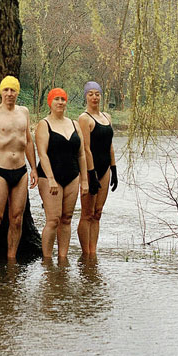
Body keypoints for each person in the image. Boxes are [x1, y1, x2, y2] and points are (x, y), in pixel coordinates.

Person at [0, 75, 37, 260]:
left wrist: (34, 169)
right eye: (6, 90)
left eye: (13, 90)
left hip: (20, 171)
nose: (9, 93)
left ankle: (12, 258)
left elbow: (28, 141)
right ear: (1, 92)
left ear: (17, 92)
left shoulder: (24, 112)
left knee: (17, 219)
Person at [34, 87, 87, 262]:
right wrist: (51, 179)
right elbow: (42, 154)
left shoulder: (74, 124)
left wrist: (84, 180)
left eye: (63, 99)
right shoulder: (44, 124)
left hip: (72, 176)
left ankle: (63, 259)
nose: (60, 102)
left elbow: (81, 154)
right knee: (53, 219)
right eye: (56, 99)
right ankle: (47, 259)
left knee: (67, 218)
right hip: (49, 176)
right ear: (50, 102)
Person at [76, 80, 117, 257]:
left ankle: (94, 252)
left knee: (98, 213)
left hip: (105, 168)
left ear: (101, 95)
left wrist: (114, 169)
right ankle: (86, 253)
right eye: (91, 94)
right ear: (86, 96)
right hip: (90, 169)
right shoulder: (84, 118)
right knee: (87, 213)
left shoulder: (107, 117)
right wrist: (90, 174)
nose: (94, 97)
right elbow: (85, 148)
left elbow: (110, 145)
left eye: (97, 94)